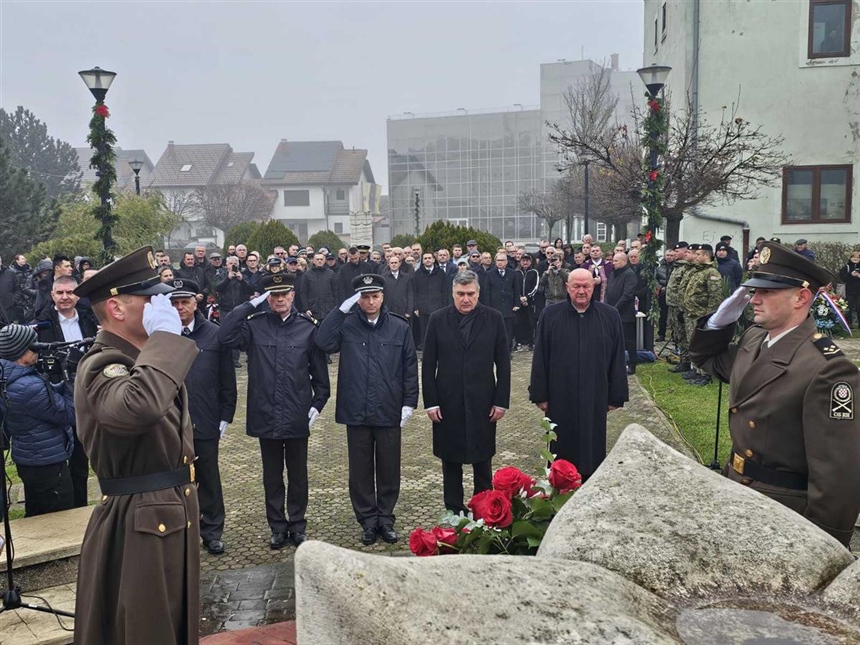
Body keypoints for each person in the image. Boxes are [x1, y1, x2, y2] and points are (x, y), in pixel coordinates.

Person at [689, 242, 860, 547]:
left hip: (784, 515)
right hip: (737, 490)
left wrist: (822, 548)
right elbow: (708, 361)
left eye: (766, 291)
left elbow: (837, 477)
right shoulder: (754, 339)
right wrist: (718, 322)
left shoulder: (827, 370)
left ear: (801, 297)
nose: (754, 298)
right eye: (754, 289)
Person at [72, 245, 201, 644]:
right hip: (139, 522)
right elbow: (137, 408)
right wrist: (164, 339)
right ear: (116, 308)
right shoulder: (103, 364)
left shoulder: (141, 359)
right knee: (145, 630)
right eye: (149, 299)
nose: (164, 306)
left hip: (166, 511)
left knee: (173, 625)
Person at [218, 272, 330, 549]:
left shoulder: (308, 328)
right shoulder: (254, 325)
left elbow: (321, 379)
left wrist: (316, 406)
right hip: (265, 411)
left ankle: (298, 525)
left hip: (296, 412)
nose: (279, 299)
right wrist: (249, 304)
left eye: (284, 294)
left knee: (298, 474)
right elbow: (224, 334)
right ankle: (277, 526)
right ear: (267, 297)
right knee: (271, 475)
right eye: (274, 295)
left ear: (293, 295)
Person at [315, 274, 418, 545]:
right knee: (360, 471)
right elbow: (323, 341)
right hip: (356, 409)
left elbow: (410, 367)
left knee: (388, 468)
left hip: (388, 407)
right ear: (357, 299)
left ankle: (385, 518)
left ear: (383, 296)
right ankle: (367, 521)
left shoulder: (399, 326)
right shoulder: (347, 325)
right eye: (364, 297)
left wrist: (410, 402)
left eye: (374, 296)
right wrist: (340, 310)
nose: (370, 301)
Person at [422, 271, 510, 514]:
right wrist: (431, 402)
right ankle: (453, 510)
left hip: (483, 400)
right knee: (451, 461)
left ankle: (484, 510)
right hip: (447, 401)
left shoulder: (494, 319)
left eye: (470, 294)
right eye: (460, 294)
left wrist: (501, 401)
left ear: (478, 293)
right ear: (452, 293)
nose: (465, 299)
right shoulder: (438, 320)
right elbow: (428, 364)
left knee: (483, 459)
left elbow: (503, 363)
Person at [529, 269, 628, 481]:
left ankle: (591, 486)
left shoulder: (610, 315)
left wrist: (616, 395)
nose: (581, 291)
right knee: (561, 447)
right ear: (567, 287)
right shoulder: (550, 315)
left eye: (586, 287)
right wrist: (540, 394)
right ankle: (559, 489)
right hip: (560, 395)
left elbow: (617, 357)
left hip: (595, 394)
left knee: (592, 447)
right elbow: (540, 357)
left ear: (594, 287)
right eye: (576, 286)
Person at [169, 279, 237, 556]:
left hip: (206, 416)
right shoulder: (162, 335)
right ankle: (181, 531)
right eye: (174, 303)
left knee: (208, 477)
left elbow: (227, 379)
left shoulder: (214, 334)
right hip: (171, 421)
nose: (180, 307)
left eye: (185, 302)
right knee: (175, 479)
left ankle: (212, 531)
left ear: (196, 303)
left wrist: (226, 415)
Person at [33, 276, 99, 508]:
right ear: (52, 295)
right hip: (61, 397)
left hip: (93, 391)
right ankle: (73, 506)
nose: (65, 297)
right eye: (59, 293)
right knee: (73, 457)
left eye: (70, 292)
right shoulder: (42, 324)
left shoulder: (91, 319)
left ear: (77, 295)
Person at [0, 324, 76, 517]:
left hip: (31, 458)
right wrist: (71, 376)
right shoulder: (28, 387)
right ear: (21, 352)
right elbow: (70, 413)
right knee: (59, 517)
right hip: (47, 463)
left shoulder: (10, 377)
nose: (37, 350)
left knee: (37, 512)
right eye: (33, 346)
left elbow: (47, 396)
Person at [681, 244, 724, 386]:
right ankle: (696, 370)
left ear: (707, 255)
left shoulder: (711, 273)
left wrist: (709, 317)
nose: (696, 256)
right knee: (692, 343)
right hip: (691, 313)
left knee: (702, 346)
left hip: (701, 315)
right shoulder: (697, 271)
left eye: (699, 254)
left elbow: (715, 297)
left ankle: (705, 374)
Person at [605, 252, 639, 375]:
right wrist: (607, 306)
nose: (613, 263)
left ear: (624, 261)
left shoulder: (629, 274)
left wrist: (615, 309)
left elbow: (628, 294)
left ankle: (632, 363)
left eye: (616, 261)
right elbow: (608, 291)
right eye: (613, 260)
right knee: (612, 339)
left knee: (628, 340)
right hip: (612, 311)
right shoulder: (613, 273)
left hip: (625, 314)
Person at [838, 250, 860, 329]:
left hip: (858, 291)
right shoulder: (846, 267)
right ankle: (849, 324)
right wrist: (851, 275)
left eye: (857, 257)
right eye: (854, 257)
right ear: (850, 258)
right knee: (849, 308)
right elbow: (842, 278)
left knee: (859, 308)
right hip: (849, 290)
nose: (855, 259)